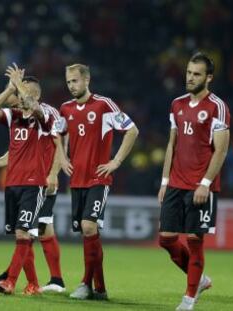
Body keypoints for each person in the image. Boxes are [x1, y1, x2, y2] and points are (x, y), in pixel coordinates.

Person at [54, 64, 138, 300]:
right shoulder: (65, 108)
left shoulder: (104, 105)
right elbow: (57, 134)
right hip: (77, 180)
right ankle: (99, 287)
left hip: (98, 178)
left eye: (75, 81)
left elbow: (132, 131)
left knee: (89, 226)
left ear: (87, 80)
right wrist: (62, 157)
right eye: (68, 82)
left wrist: (116, 161)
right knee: (88, 232)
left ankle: (84, 283)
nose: (71, 86)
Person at [157, 52, 230, 311]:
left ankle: (189, 298)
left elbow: (221, 150)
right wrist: (165, 180)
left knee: (195, 241)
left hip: (200, 186)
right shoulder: (176, 104)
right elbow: (171, 144)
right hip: (176, 182)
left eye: (196, 74)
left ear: (209, 77)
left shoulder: (217, 107)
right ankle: (200, 279)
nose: (190, 77)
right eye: (188, 72)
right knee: (165, 239)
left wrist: (206, 183)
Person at [0, 79, 66, 293]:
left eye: (22, 92)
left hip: (38, 182)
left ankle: (17, 280)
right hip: (13, 183)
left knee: (35, 230)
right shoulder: (15, 116)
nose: (18, 97)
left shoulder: (47, 115)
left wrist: (53, 174)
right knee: (24, 234)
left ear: (35, 95)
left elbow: (58, 144)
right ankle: (33, 283)